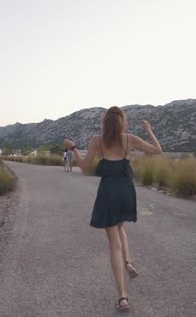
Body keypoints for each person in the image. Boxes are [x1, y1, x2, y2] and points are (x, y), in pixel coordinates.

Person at [64, 106, 162, 311]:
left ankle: (122, 297)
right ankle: (128, 262)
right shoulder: (130, 139)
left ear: (105, 123)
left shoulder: (96, 140)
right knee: (120, 227)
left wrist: (73, 148)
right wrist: (149, 130)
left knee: (113, 245)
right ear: (122, 122)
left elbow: (83, 167)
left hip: (108, 192)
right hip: (126, 191)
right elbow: (157, 150)